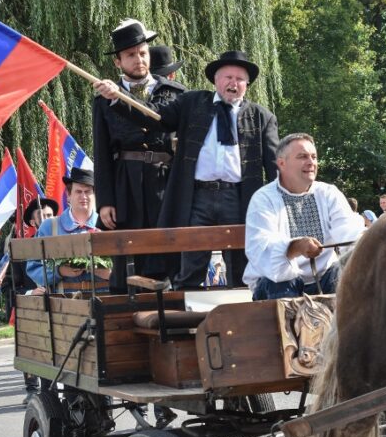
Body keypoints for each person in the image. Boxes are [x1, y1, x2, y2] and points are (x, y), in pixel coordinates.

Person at [94, 49, 279, 289]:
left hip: (239, 197)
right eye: (227, 77)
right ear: (216, 80)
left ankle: (242, 317)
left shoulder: (261, 117)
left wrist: (280, 206)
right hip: (197, 197)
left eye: (239, 79)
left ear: (247, 85)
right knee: (190, 264)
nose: (233, 83)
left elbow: (275, 165)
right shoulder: (193, 103)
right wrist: (118, 98)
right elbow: (153, 116)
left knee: (241, 266)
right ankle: (186, 319)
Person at [93, 19, 186, 293]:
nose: (139, 60)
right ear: (118, 62)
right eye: (131, 55)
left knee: (166, 248)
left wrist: (118, 99)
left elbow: (156, 120)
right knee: (126, 254)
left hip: (163, 181)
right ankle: (124, 312)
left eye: (143, 53)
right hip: (126, 181)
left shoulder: (171, 92)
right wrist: (105, 200)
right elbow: (101, 151)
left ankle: (169, 308)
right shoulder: (103, 99)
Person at [243, 133, 365, 300]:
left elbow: (349, 233)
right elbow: (261, 249)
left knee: (344, 276)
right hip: (278, 284)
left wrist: (370, 240)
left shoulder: (328, 193)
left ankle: (345, 326)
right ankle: (286, 326)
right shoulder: (263, 199)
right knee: (282, 281)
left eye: (314, 157)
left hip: (324, 278)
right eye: (302, 156)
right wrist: (295, 247)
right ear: (281, 163)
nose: (311, 162)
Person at [25, 168, 111, 294]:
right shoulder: (49, 227)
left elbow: (126, 267)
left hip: (105, 301)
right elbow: (33, 268)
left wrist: (109, 273)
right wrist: (59, 271)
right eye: (78, 191)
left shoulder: (108, 225)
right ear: (68, 195)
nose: (83, 196)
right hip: (63, 304)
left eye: (88, 192)